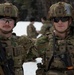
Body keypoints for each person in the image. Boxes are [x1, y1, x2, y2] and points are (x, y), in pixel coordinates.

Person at [0, 2, 39, 75]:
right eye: (3, 19)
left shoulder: (22, 42)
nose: (7, 23)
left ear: (14, 22)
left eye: (10, 20)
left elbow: (44, 46)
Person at [36, 2, 74, 75]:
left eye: (64, 19)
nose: (60, 22)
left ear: (70, 21)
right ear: (52, 21)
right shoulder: (43, 41)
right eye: (56, 19)